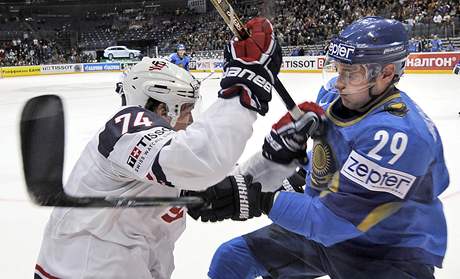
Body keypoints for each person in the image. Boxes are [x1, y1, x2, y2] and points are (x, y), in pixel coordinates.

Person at [189, 16, 449, 279]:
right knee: (233, 258)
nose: (339, 82)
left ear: (386, 74)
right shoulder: (336, 97)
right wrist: (292, 161)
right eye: (339, 69)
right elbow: (330, 163)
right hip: (331, 235)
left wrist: (255, 198)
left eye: (352, 73)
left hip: (387, 253)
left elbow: (330, 223)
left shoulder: (398, 137)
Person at [34, 17, 283, 279]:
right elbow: (203, 159)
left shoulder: (162, 156)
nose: (191, 120)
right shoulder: (125, 127)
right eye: (186, 110)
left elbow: (228, 177)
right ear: (160, 108)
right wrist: (245, 85)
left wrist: (280, 157)